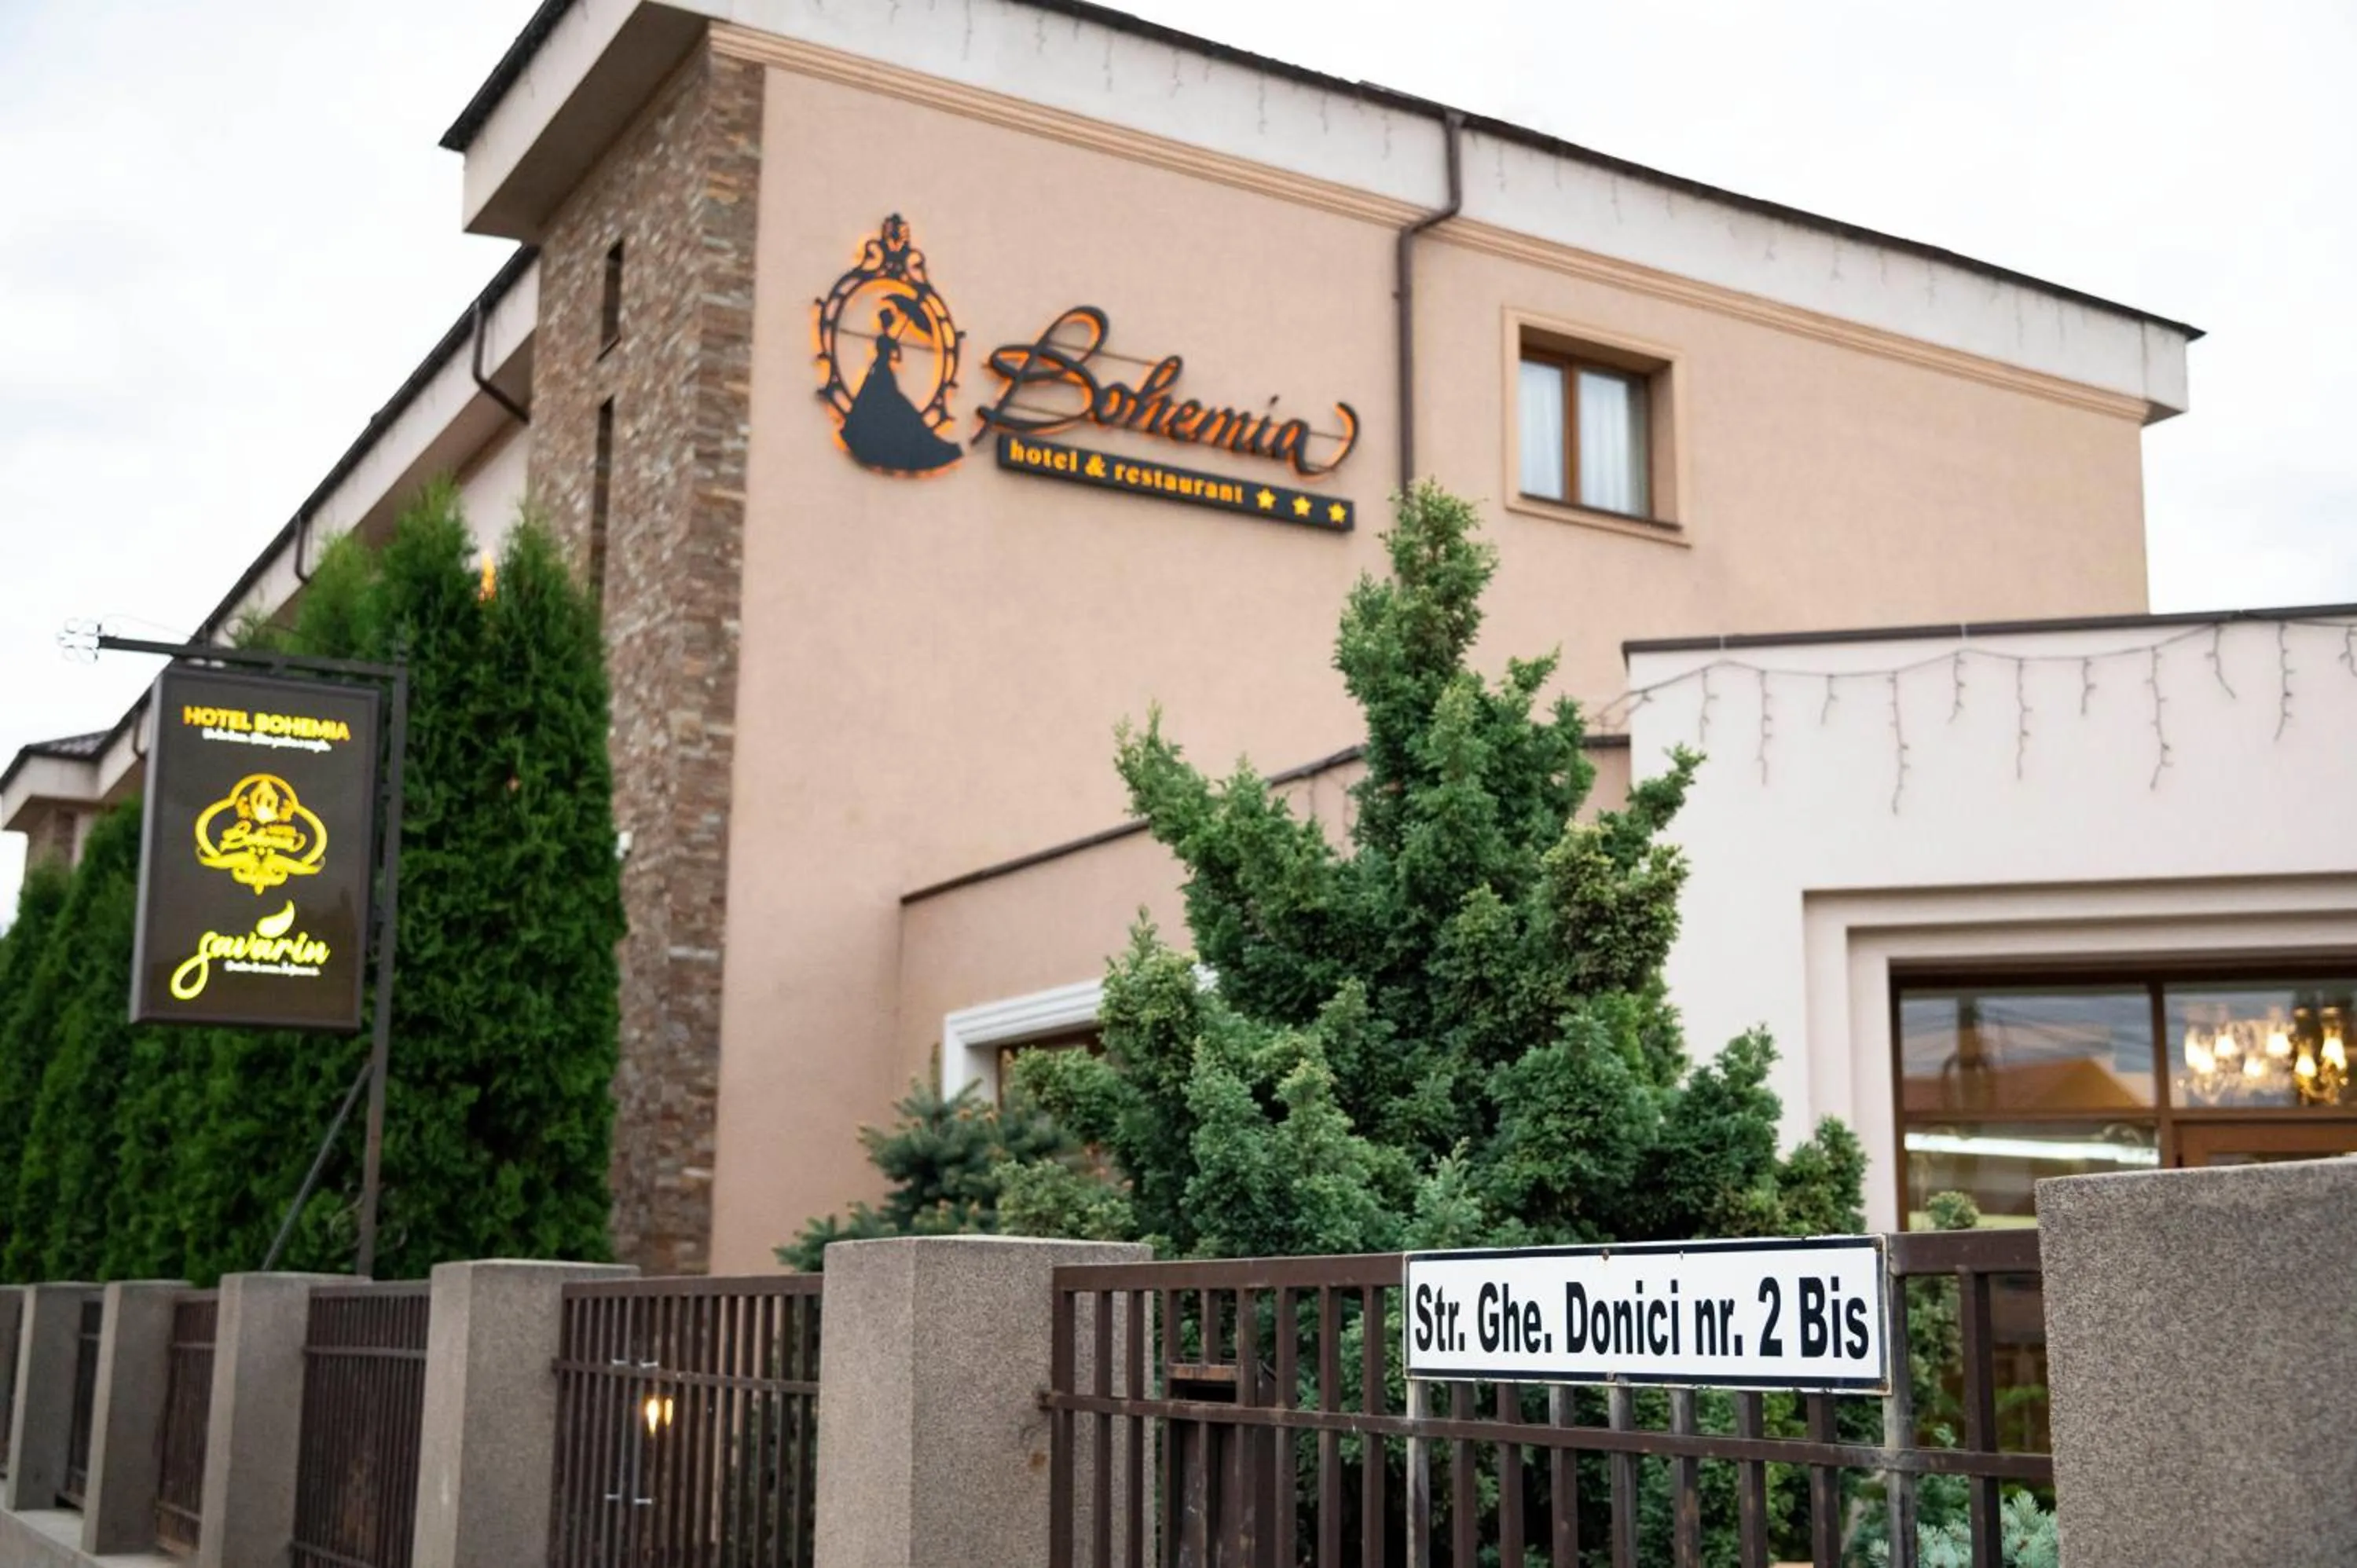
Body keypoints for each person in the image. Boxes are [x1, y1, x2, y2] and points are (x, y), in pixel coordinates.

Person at [840, 301, 961, 474]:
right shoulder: (885, 339)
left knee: (885, 402)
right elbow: (897, 358)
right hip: (881, 371)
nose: (888, 323)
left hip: (881, 371)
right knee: (893, 404)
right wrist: (893, 348)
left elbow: (896, 358)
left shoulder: (885, 339)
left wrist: (893, 347)